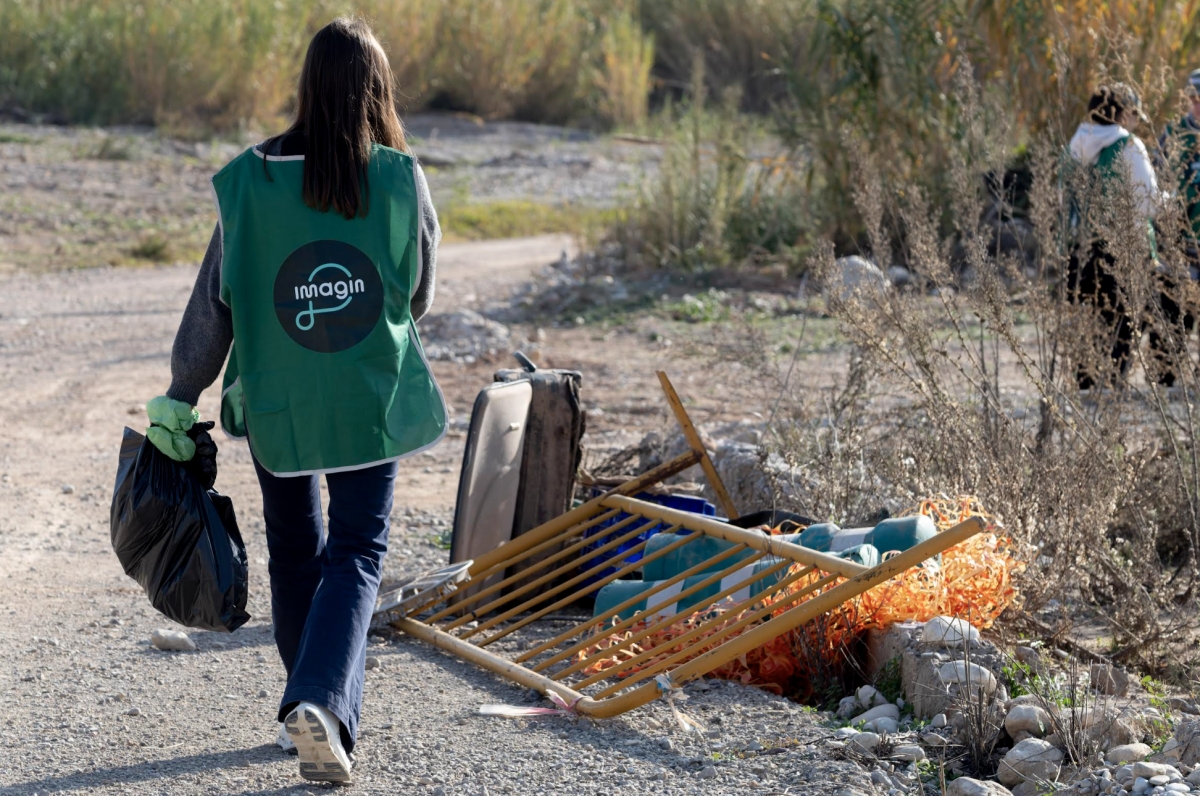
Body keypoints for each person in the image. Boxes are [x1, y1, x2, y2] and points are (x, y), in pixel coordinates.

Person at [143, 18, 445, 784]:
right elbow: (417, 291)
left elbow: (217, 303)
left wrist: (182, 395)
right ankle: (320, 703)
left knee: (296, 550)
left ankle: (305, 710)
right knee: (358, 551)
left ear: (307, 86)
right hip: (367, 397)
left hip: (276, 397)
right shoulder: (400, 178)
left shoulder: (250, 180)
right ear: (377, 92)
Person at [1066, 83, 1169, 389]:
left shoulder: (1076, 145)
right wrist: (1174, 201)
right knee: (1127, 323)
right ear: (1123, 115)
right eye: (1134, 113)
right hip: (1123, 252)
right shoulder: (1128, 146)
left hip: (1080, 250)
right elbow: (1148, 201)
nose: (1136, 120)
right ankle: (1112, 389)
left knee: (1089, 319)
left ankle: (1085, 388)